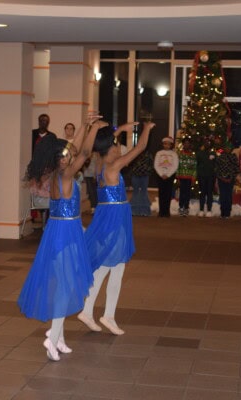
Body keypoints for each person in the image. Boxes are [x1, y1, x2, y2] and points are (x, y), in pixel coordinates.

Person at [18, 117, 103, 362]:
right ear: (58, 159)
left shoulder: (56, 173)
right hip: (65, 233)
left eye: (67, 155)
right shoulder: (65, 175)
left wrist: (85, 126)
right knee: (65, 287)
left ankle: (61, 338)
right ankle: (52, 338)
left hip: (60, 230)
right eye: (64, 155)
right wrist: (94, 128)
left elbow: (75, 147)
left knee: (61, 282)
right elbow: (84, 151)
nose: (68, 157)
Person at [78, 121, 155, 336]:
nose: (118, 147)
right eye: (115, 145)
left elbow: (107, 143)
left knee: (105, 266)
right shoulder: (114, 165)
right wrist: (146, 129)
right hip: (115, 218)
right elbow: (139, 149)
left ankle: (88, 310)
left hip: (107, 215)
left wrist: (120, 129)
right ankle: (107, 315)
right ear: (110, 148)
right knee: (117, 267)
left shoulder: (101, 162)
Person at [154, 137, 179, 218]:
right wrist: (161, 174)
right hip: (160, 175)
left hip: (170, 176)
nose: (166, 145)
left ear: (171, 145)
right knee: (161, 193)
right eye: (165, 144)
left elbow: (175, 165)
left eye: (168, 144)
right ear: (163, 144)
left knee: (168, 193)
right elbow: (156, 165)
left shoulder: (174, 154)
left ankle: (166, 212)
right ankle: (161, 211)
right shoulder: (159, 153)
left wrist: (168, 174)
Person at [215, 144, 240, 219]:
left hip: (230, 180)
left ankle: (227, 213)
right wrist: (221, 178)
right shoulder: (220, 157)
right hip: (221, 179)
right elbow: (217, 169)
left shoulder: (234, 157)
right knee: (222, 196)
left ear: (231, 149)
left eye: (229, 148)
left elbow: (236, 169)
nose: (227, 149)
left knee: (228, 196)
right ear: (224, 148)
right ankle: (222, 213)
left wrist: (231, 178)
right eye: (226, 148)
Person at [196, 137, 216, 217]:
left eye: (208, 142)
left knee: (209, 193)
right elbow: (197, 164)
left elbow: (215, 165)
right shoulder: (200, 153)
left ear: (210, 144)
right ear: (203, 144)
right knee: (202, 193)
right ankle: (201, 209)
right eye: (205, 142)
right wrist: (198, 174)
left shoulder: (213, 153)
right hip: (202, 176)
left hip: (211, 177)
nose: (207, 144)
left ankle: (209, 210)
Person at [176, 137, 196, 217]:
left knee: (187, 193)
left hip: (189, 178)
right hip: (181, 177)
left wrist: (193, 178)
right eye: (185, 143)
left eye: (188, 143)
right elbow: (177, 166)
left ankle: (186, 208)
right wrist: (177, 178)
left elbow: (194, 167)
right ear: (183, 144)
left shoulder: (192, 155)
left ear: (190, 145)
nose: (186, 145)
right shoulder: (179, 154)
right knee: (182, 193)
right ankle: (181, 207)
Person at [129, 150, 153, 217]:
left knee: (144, 192)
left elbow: (151, 165)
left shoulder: (148, 154)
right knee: (135, 192)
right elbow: (130, 163)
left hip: (145, 176)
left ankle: (145, 211)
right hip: (135, 175)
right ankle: (133, 211)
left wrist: (147, 172)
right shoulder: (134, 153)